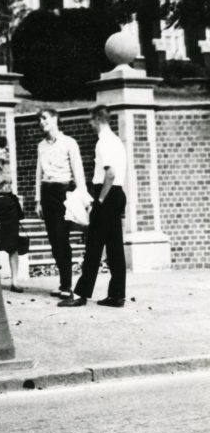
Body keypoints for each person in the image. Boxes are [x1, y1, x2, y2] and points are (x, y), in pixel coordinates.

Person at [60, 106, 128, 308]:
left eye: (91, 120)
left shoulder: (103, 142)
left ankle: (80, 294)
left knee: (93, 246)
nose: (89, 124)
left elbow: (110, 174)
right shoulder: (116, 141)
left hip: (106, 195)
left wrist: (99, 200)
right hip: (117, 195)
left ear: (98, 119)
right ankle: (117, 295)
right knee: (115, 248)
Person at [35, 107, 88, 299]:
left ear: (56, 118)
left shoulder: (69, 143)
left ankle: (67, 284)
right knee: (53, 239)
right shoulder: (41, 146)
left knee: (61, 236)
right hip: (47, 192)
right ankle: (62, 282)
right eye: (39, 119)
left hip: (62, 192)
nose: (42, 122)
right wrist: (38, 200)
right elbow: (38, 174)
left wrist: (83, 197)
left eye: (45, 118)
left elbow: (78, 171)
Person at [0, 136, 29, 293]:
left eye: (6, 148)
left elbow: (9, 186)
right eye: (2, 148)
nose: (6, 151)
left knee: (13, 244)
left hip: (9, 206)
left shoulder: (6, 165)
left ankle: (15, 281)